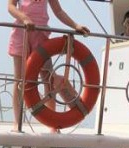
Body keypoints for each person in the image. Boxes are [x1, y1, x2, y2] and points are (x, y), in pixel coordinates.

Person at [7, 0, 90, 128]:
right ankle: (17, 122)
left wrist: (75, 25)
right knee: (19, 80)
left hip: (40, 34)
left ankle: (51, 123)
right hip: (21, 32)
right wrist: (24, 18)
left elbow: (59, 11)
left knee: (48, 79)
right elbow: (11, 6)